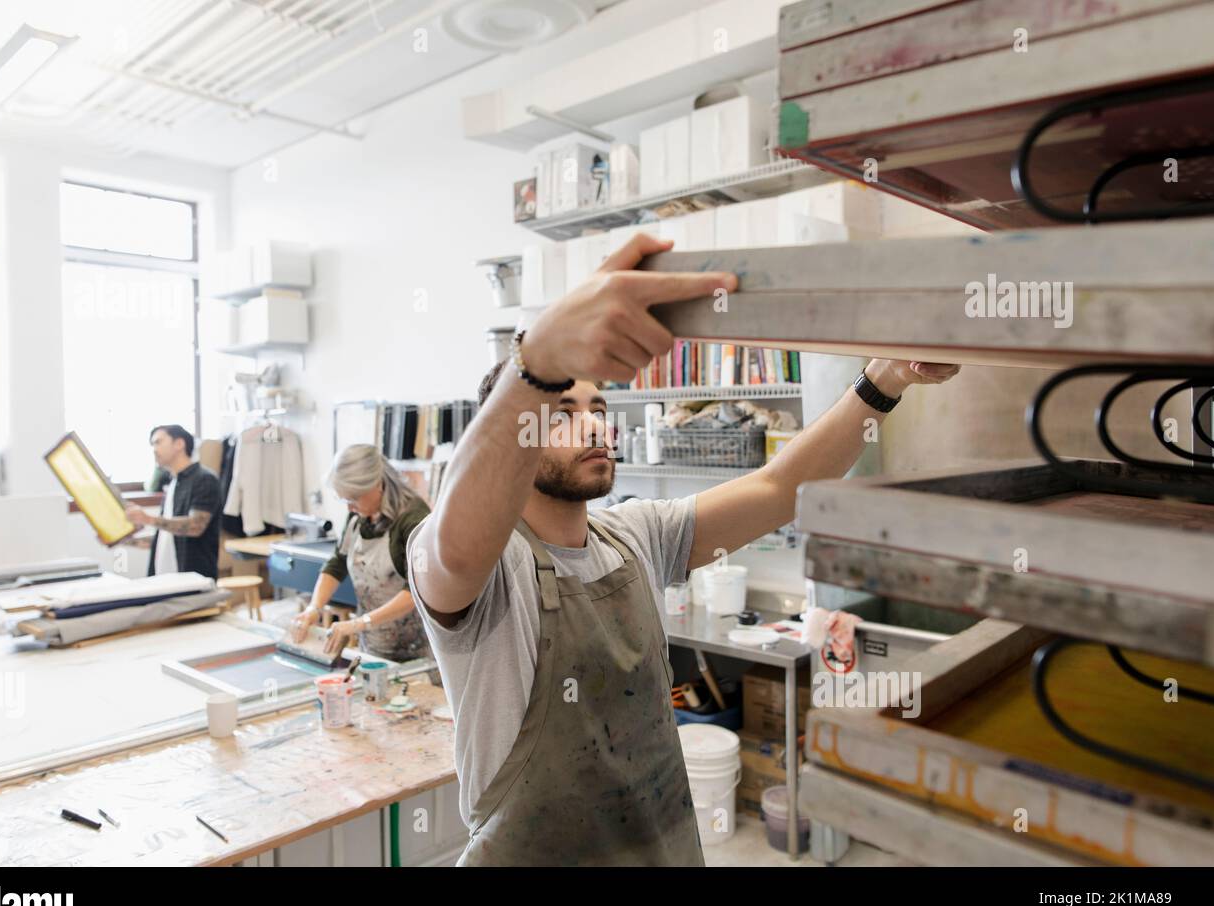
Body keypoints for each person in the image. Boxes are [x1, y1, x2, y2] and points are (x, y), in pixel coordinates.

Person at [406, 234, 959, 866]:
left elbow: (781, 488)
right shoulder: (486, 568)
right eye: (561, 411)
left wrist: (885, 379)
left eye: (598, 407)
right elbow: (454, 547)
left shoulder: (636, 534)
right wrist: (537, 362)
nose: (594, 426)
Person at [290, 445, 434, 664]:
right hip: (374, 644)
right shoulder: (358, 517)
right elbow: (336, 563)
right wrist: (314, 608)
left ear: (377, 486)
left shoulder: (414, 519)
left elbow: (418, 590)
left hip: (418, 649)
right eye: (345, 500)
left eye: (353, 499)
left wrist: (359, 623)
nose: (349, 508)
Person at [124, 425, 223, 580]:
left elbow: (195, 526)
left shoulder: (204, 479)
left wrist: (147, 519)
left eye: (158, 442)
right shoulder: (173, 483)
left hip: (193, 581)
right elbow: (163, 537)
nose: (154, 449)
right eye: (152, 444)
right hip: (164, 578)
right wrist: (122, 540)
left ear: (179, 444)